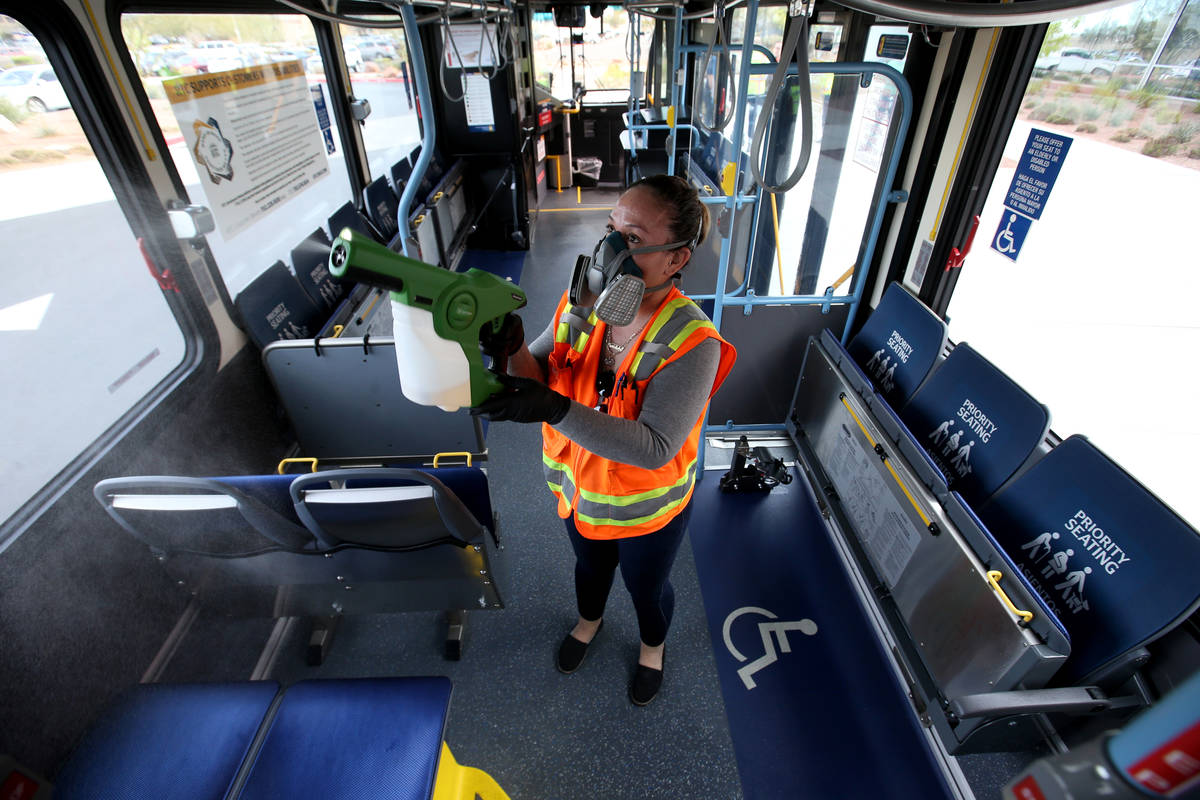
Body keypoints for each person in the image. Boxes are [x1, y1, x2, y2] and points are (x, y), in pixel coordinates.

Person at [473, 174, 736, 706]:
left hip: (647, 512)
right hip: (580, 494)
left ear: (676, 258)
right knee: (589, 571)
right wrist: (512, 347)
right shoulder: (585, 304)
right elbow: (540, 373)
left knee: (645, 588)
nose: (610, 249)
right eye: (611, 228)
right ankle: (589, 622)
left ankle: (651, 647)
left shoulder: (694, 343)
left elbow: (655, 444)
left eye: (633, 240)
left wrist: (554, 409)